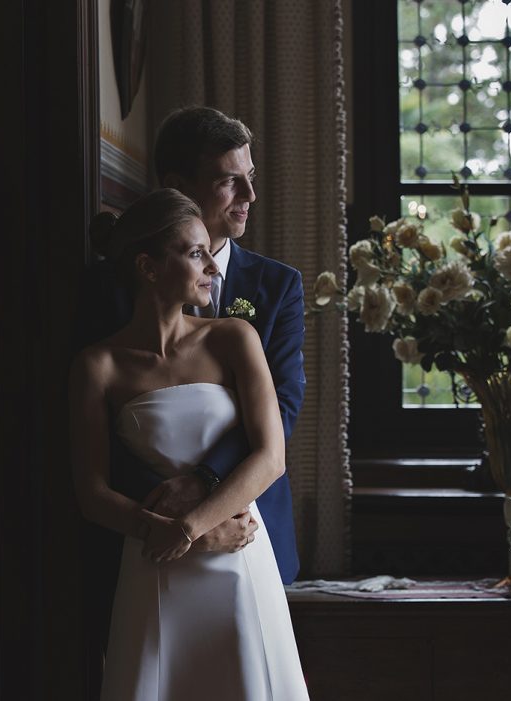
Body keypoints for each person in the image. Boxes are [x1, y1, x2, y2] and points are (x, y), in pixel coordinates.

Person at [70, 188, 309, 699]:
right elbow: (91, 492)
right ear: (148, 267)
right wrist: (181, 537)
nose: (214, 267)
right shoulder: (98, 365)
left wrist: (193, 528)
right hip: (153, 562)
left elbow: (271, 457)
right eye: (195, 253)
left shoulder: (233, 338)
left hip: (237, 547)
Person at [120, 106, 306, 585]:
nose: (250, 195)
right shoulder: (116, 287)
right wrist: (162, 514)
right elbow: (96, 426)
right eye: (230, 181)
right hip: (145, 537)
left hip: (250, 524)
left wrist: (204, 486)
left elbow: (282, 407)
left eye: (251, 177)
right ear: (178, 185)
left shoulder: (276, 287)